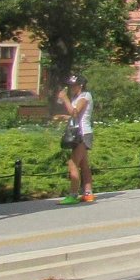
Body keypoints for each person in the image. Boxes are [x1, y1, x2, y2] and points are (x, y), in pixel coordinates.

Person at [57, 74, 95, 204]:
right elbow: (75, 116)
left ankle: (73, 195)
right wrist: (63, 117)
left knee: (72, 163)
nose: (71, 87)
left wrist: (65, 99)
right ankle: (88, 193)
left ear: (81, 85)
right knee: (84, 164)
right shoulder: (77, 97)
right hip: (78, 132)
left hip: (82, 134)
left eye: (73, 85)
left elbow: (75, 112)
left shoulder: (85, 96)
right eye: (70, 85)